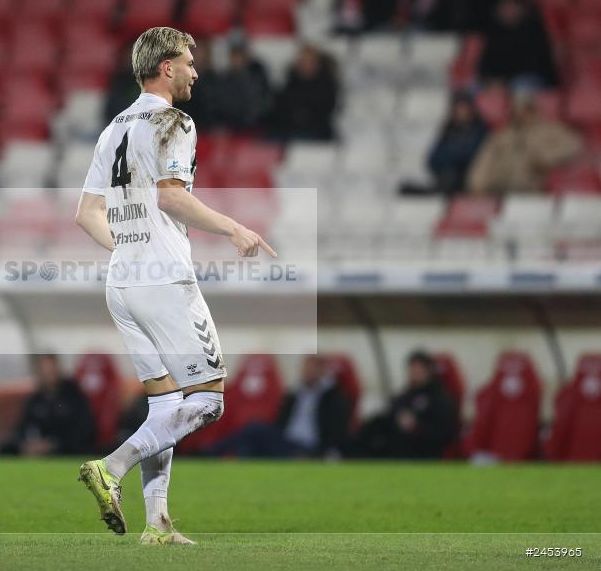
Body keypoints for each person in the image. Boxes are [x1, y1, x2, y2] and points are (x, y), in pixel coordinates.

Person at [75, 27, 277, 545]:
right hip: (163, 276)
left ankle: (158, 524)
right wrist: (235, 227)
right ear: (166, 66)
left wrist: (125, 250)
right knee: (209, 399)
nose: (195, 71)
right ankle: (111, 468)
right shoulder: (174, 121)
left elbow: (86, 214)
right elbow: (171, 197)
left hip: (122, 281)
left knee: (166, 406)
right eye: (188, 62)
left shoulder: (113, 127)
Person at [207, 355, 351, 459]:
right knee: (253, 431)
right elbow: (280, 421)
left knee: (254, 431)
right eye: (304, 368)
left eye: (310, 369)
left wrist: (321, 454)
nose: (306, 372)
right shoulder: (294, 395)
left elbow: (336, 431)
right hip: (287, 441)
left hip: (309, 448)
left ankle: (209, 453)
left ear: (321, 371)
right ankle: (220, 455)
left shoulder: (333, 398)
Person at [468, 91, 581, 195]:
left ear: (532, 110)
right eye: (516, 110)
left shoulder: (551, 129)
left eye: (524, 110)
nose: (520, 114)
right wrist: (477, 184)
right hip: (498, 189)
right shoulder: (502, 135)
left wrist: (546, 158)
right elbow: (485, 160)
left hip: (530, 189)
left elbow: (574, 146)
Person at [350, 351, 456, 459]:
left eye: (419, 369)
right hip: (396, 443)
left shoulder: (440, 398)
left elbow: (443, 432)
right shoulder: (407, 394)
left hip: (421, 450)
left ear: (429, 371)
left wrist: (415, 427)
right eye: (412, 369)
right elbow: (391, 411)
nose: (414, 372)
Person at [0, 353, 96, 456]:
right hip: (36, 453)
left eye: (51, 370)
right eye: (44, 371)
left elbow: (84, 431)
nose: (48, 375)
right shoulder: (34, 401)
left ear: (58, 370)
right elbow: (21, 429)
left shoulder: (74, 396)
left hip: (66, 452)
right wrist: (28, 445)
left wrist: (53, 445)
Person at [400, 92, 487, 196]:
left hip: (468, 176)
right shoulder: (449, 130)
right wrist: (451, 158)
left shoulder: (479, 130)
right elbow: (433, 159)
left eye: (464, 108)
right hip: (445, 175)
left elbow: (474, 154)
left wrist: (452, 155)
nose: (462, 112)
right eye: (459, 108)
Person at [478, 0, 558, 89]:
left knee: (521, 85)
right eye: (504, 7)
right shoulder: (494, 33)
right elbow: (485, 64)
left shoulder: (534, 29)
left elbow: (534, 63)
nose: (508, 11)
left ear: (521, 8)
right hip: (500, 81)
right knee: (472, 87)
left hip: (532, 79)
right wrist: (489, 80)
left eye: (511, 6)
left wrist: (504, 81)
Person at [269, 45, 339, 141]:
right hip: (288, 129)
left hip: (316, 131)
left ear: (318, 63)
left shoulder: (326, 84)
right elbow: (281, 107)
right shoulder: (290, 81)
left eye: (310, 61)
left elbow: (323, 110)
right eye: (302, 60)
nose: (305, 64)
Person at [216, 41, 270, 132]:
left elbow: (261, 105)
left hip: (253, 128)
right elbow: (220, 105)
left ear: (246, 57)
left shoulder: (256, 79)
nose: (236, 60)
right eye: (234, 56)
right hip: (229, 128)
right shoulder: (223, 80)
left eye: (239, 56)